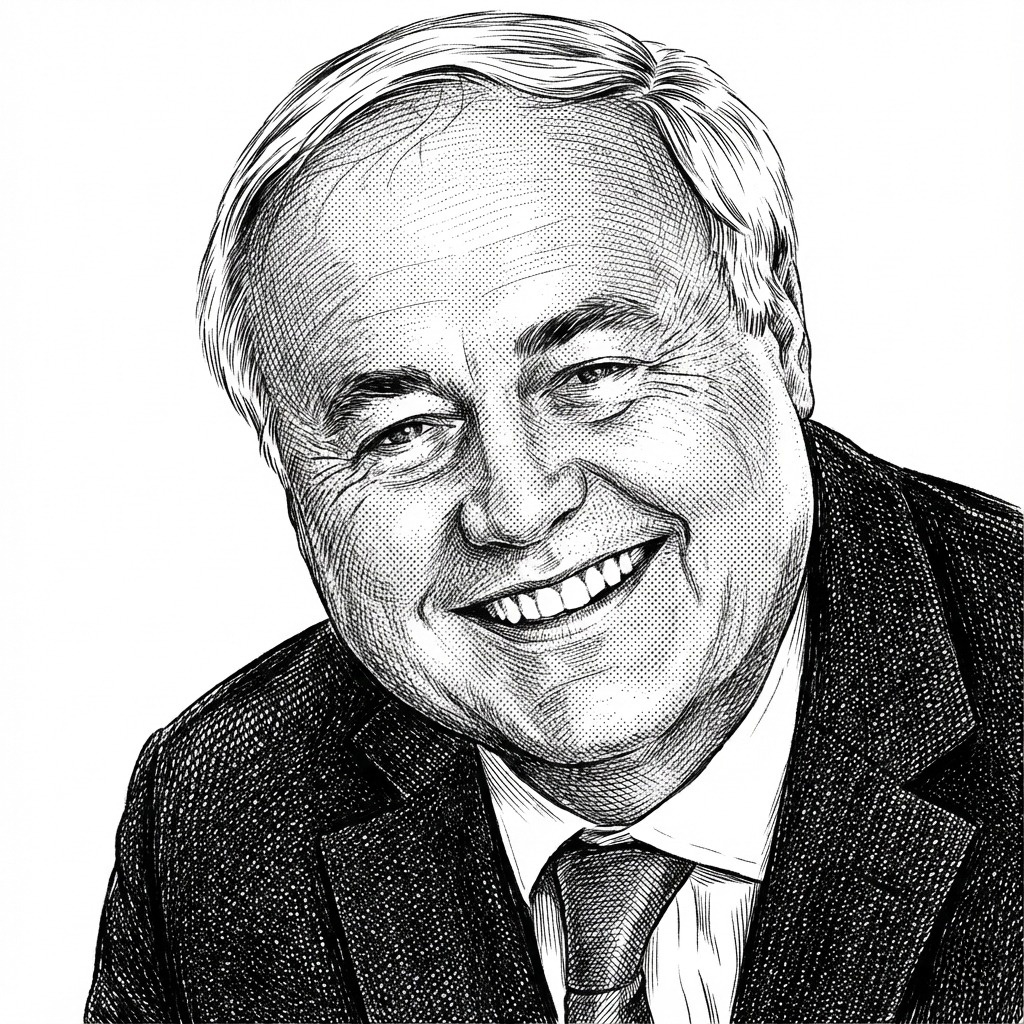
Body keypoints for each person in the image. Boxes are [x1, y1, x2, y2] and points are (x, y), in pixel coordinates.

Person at [86, 12, 1022, 1024]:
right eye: (403, 431)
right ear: (288, 472)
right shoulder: (220, 816)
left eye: (593, 374)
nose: (519, 507)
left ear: (781, 333)